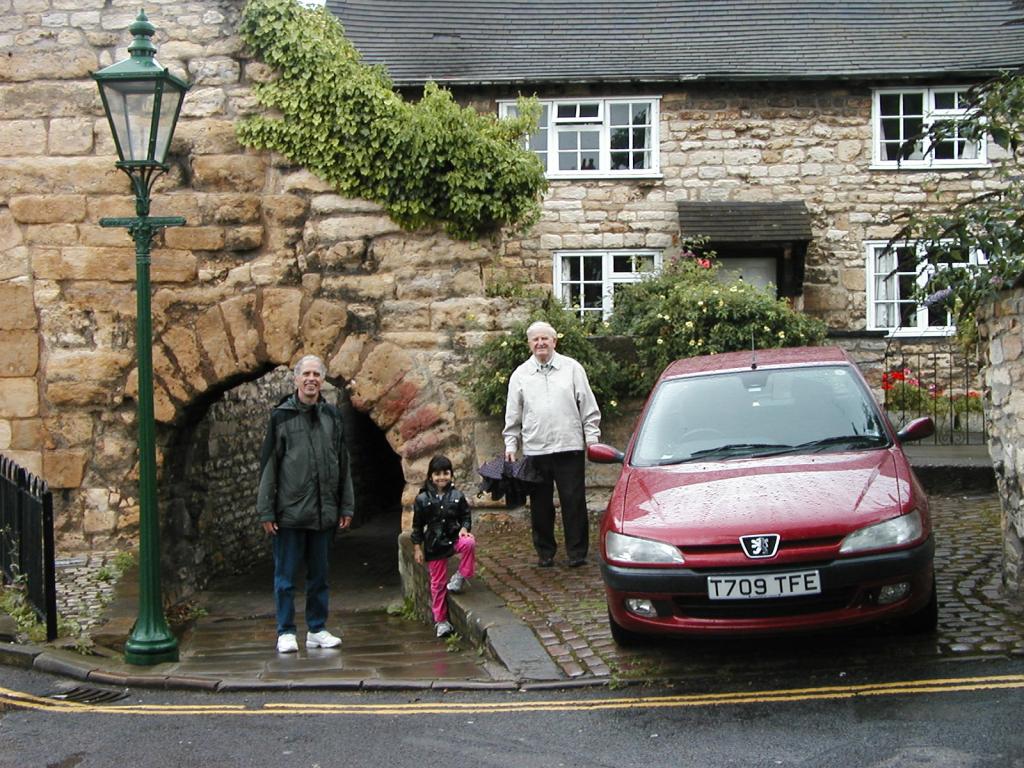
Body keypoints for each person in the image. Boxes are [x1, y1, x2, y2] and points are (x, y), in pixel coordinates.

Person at [257, 354, 355, 654]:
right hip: (290, 511)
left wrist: (346, 505)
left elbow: (343, 462)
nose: (311, 379)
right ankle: (286, 631)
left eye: (316, 374)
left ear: (322, 380)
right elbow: (269, 465)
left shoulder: (332, 417)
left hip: (324, 511)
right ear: (296, 379)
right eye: (306, 374)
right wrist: (266, 509)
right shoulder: (281, 417)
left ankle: (316, 628)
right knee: (285, 576)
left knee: (320, 576)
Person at [503, 321, 601, 568]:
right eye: (535, 339)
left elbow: (588, 406)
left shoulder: (572, 369)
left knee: (574, 501)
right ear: (529, 344)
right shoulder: (520, 375)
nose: (540, 343)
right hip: (536, 449)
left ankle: (577, 552)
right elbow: (513, 414)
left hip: (569, 446)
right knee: (540, 506)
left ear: (554, 341)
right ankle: (545, 552)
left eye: (545, 339)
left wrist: (592, 439)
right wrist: (510, 445)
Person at [411, 455, 475, 638]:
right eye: (437, 474)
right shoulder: (422, 499)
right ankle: (441, 620)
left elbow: (465, 516)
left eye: (446, 473)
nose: (442, 478)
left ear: (451, 475)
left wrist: (464, 528)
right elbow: (417, 526)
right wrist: (417, 547)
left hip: (454, 537)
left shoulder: (457, 496)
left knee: (469, 542)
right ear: (431, 476)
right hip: (435, 544)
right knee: (437, 584)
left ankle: (461, 575)